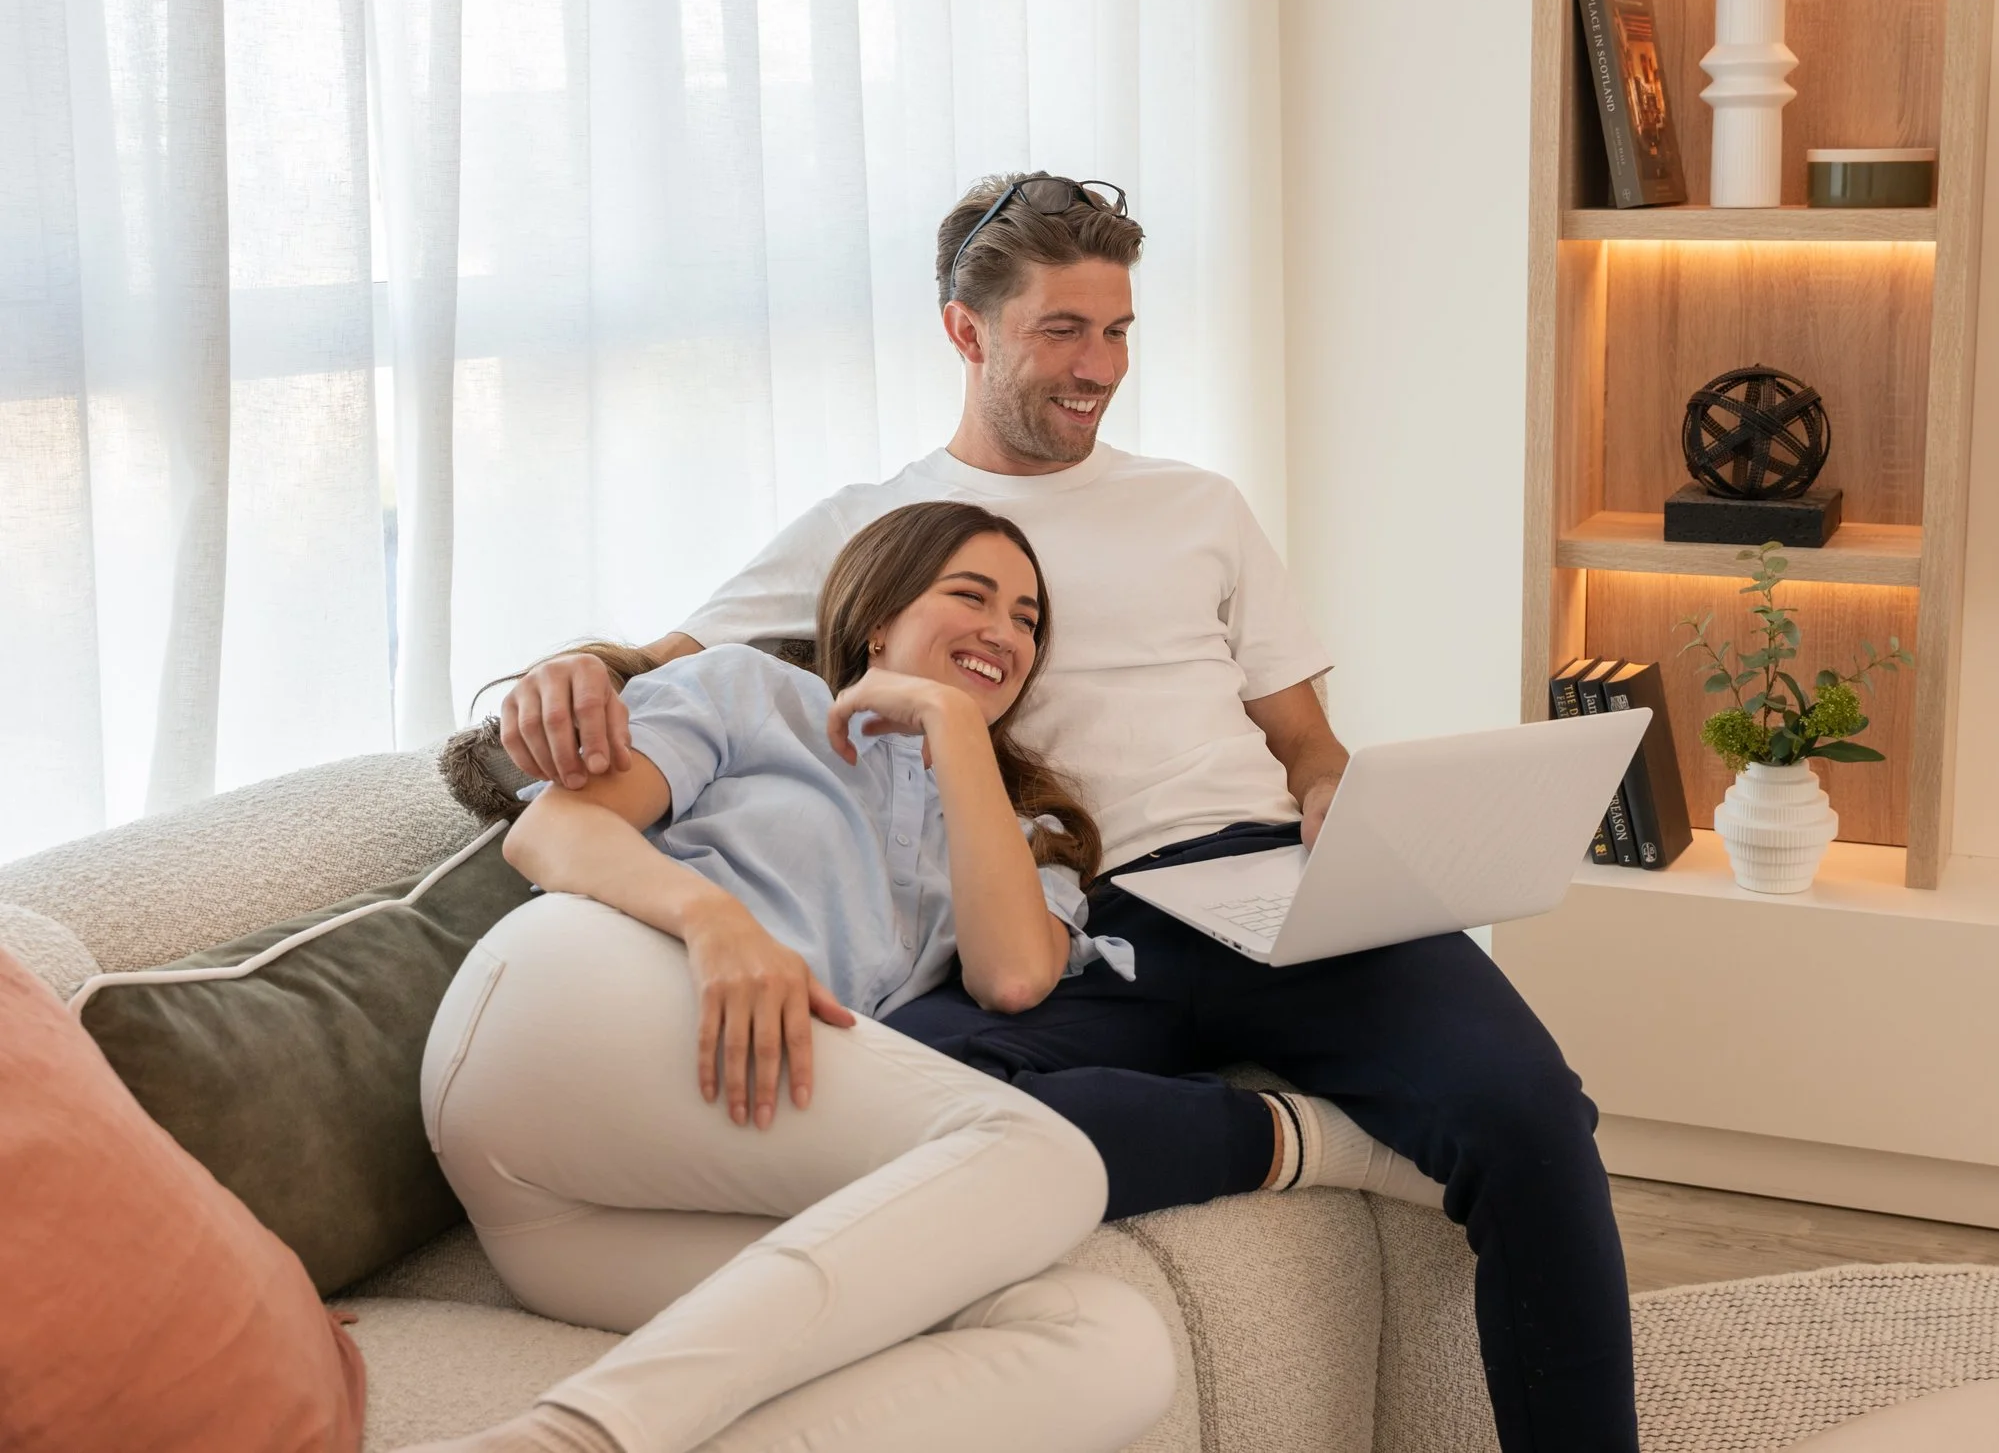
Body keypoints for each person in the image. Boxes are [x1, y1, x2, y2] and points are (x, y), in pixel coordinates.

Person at [502, 173, 1640, 1452]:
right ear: (965, 329)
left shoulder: (1197, 507)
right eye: (1061, 330)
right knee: (921, 1112)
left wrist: (1340, 809)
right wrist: (567, 670)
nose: (1097, 366)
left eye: (1117, 332)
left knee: (1530, 1112)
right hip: (1073, 920)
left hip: (1272, 878)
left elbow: (1311, 745)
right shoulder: (869, 527)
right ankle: (1283, 1137)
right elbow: (651, 667)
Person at [411, 502, 1173, 1453]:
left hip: (581, 1220)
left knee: (1107, 1339)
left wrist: (946, 722)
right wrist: (713, 920)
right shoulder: (752, 691)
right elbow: (555, 830)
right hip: (574, 1007)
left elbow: (1012, 976)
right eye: (970, 595)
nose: (1003, 631)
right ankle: (576, 1439)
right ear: (879, 617)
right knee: (1052, 1157)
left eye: (1026, 619)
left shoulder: (1030, 849)